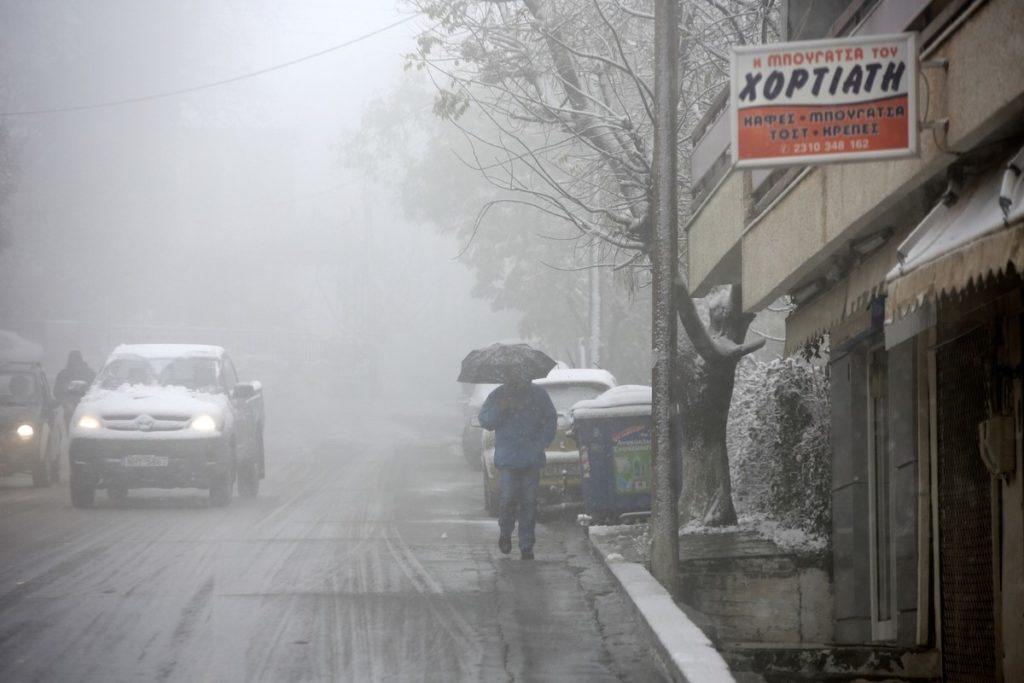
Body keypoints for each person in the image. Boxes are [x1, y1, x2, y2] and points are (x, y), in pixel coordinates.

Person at [478, 376, 557, 560]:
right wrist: (500, 409)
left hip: (531, 458)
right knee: (507, 499)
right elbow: (486, 421)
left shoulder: (538, 395)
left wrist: (540, 443)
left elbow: (550, 420)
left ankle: (526, 545)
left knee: (529, 502)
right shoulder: (498, 395)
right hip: (508, 460)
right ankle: (505, 532)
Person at [55, 350, 95, 425]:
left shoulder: (90, 374)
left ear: (80, 360)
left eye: (76, 360)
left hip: (87, 412)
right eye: (72, 361)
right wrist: (65, 403)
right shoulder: (63, 375)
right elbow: (57, 392)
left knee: (88, 433)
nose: (74, 363)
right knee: (70, 433)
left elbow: (96, 391)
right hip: (69, 412)